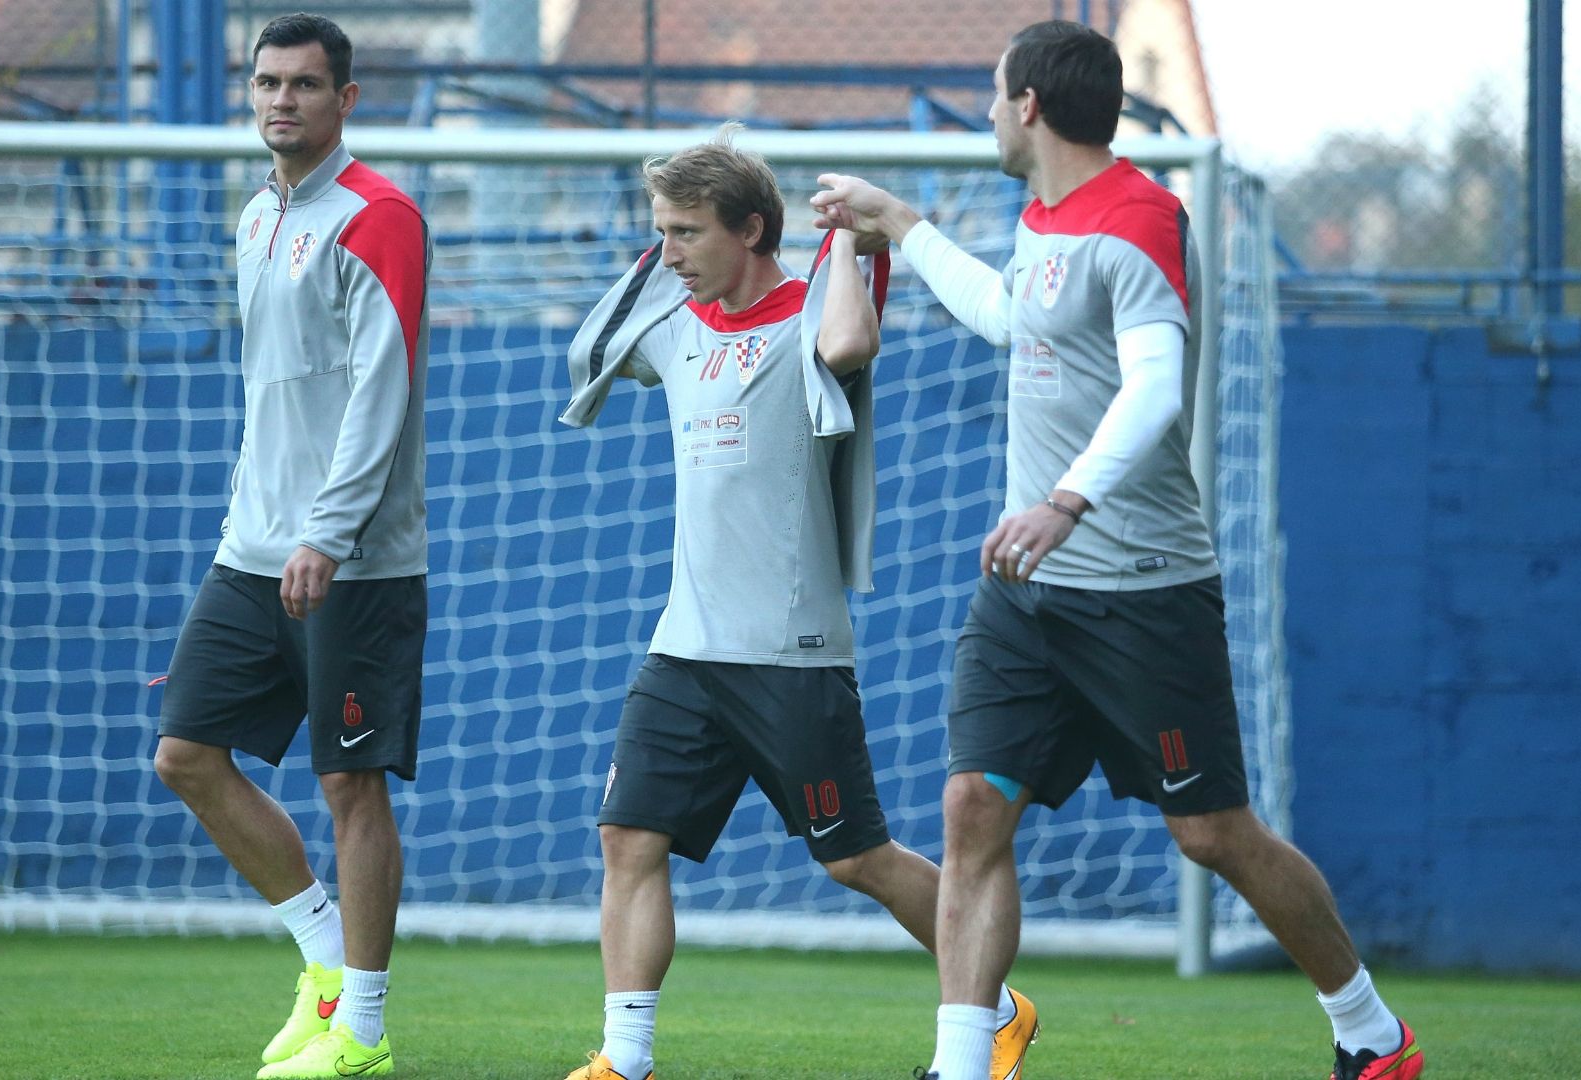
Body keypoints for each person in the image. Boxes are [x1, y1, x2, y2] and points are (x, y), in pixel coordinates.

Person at [811, 20, 1423, 1080]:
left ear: (1032, 106)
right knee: (970, 807)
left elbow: (1153, 386)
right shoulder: (1044, 216)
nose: (991, 113)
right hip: (1026, 594)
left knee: (1214, 835)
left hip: (1142, 592)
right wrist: (901, 226)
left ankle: (1371, 1032)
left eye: (997, 96)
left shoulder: (1140, 215)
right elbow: (1011, 315)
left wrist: (1065, 501)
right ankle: (963, 1064)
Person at [557, 125, 1038, 1080]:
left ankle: (995, 1008)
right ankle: (625, 1060)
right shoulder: (677, 320)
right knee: (627, 838)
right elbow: (596, 351)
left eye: (688, 231)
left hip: (791, 654)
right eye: (662, 231)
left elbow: (851, 342)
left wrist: (853, 240)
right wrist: (664, 258)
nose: (671, 251)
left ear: (751, 230)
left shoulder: (814, 309)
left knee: (855, 858)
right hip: (684, 651)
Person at [151, 13, 429, 1080]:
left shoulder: (383, 217)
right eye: (267, 82)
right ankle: (322, 961)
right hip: (251, 550)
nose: (281, 101)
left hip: (354, 560)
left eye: (306, 85)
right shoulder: (256, 217)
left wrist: (326, 530)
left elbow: (382, 392)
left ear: (346, 99)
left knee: (351, 789)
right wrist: (260, 529)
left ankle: (362, 1027)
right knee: (185, 753)